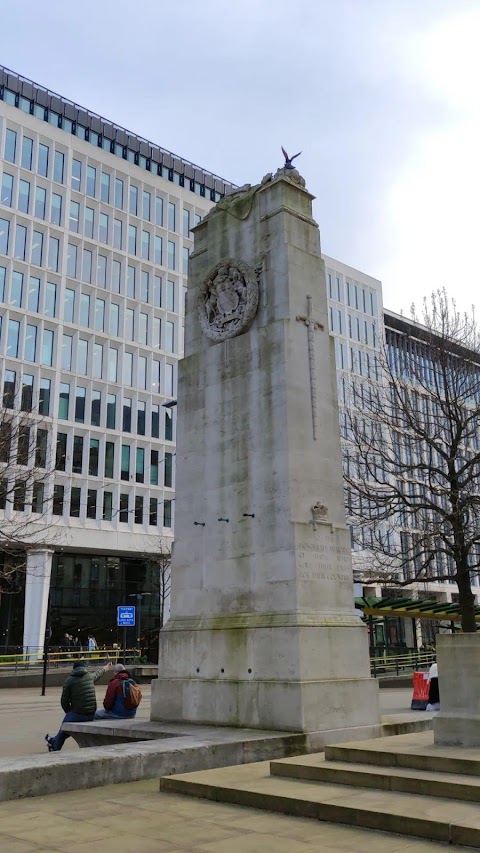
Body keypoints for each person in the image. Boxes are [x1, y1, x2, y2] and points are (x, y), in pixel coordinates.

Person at [45, 660, 111, 752]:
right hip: (91, 713)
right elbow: (98, 673)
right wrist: (106, 667)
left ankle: (55, 746)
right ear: (84, 668)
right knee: (67, 725)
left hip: (79, 713)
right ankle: (54, 741)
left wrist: (69, 712)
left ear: (73, 669)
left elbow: (64, 701)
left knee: (65, 725)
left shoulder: (69, 680)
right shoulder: (89, 676)